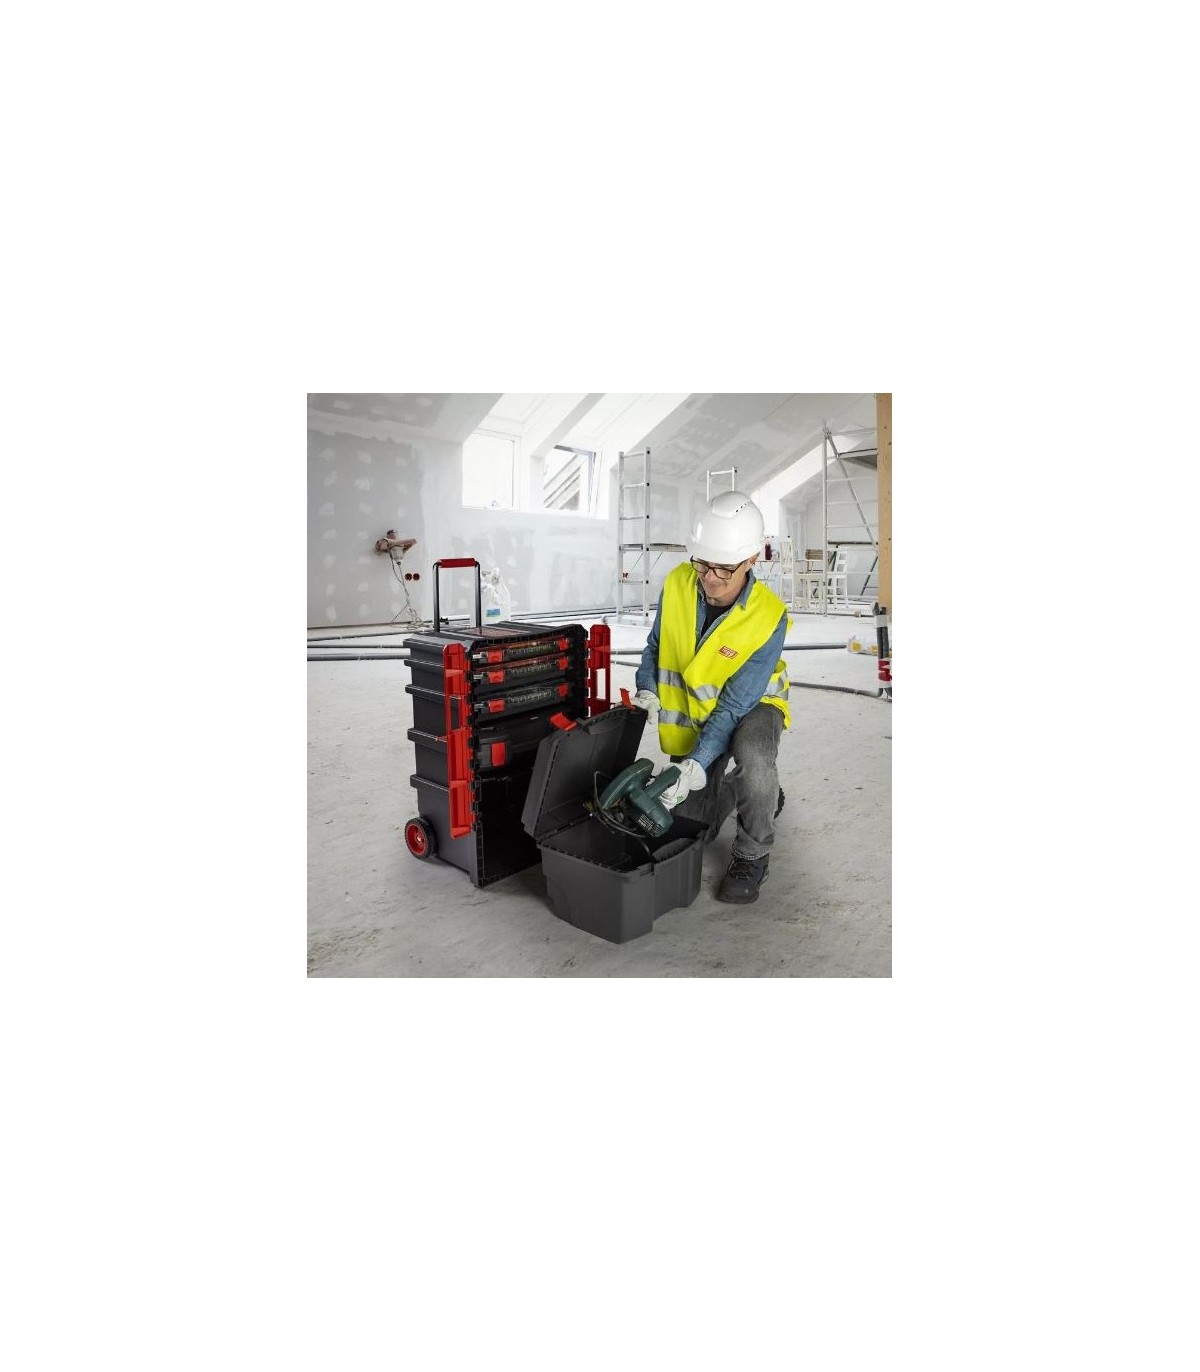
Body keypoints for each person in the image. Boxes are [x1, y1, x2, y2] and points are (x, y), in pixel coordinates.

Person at [632, 491, 790, 904]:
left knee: (755, 764)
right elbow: (655, 646)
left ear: (752, 559)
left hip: (754, 704)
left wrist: (697, 762)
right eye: (703, 564)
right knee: (691, 831)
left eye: (724, 568)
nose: (710, 578)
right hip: (701, 709)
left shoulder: (769, 616)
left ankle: (753, 854)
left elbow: (735, 706)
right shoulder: (678, 583)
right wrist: (647, 688)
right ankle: (758, 796)